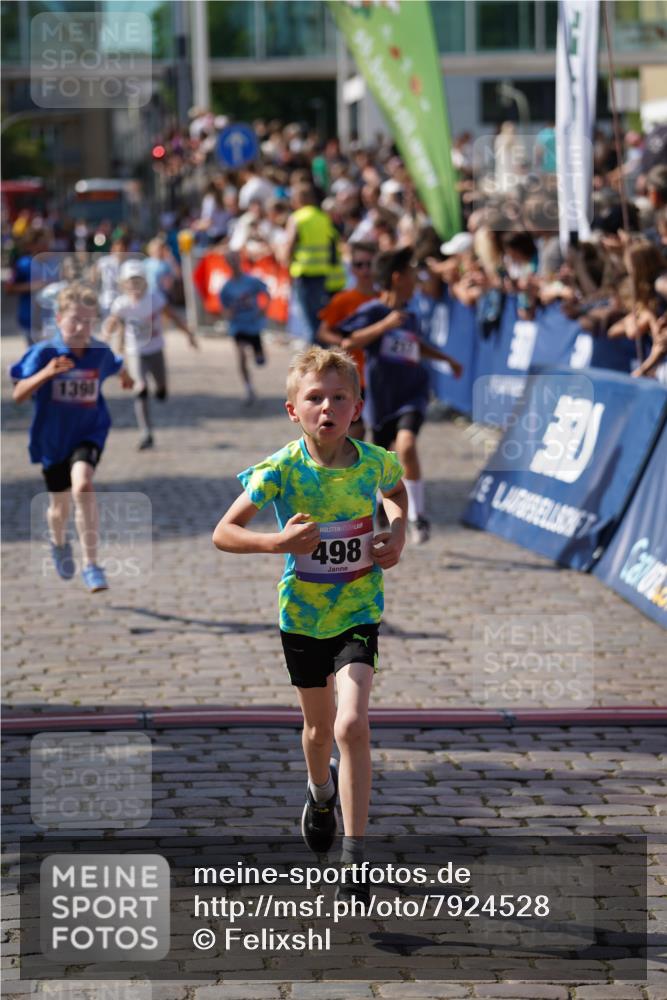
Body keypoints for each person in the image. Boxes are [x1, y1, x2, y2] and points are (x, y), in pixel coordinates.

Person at [212, 346, 408, 905]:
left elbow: (396, 495)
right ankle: (320, 793)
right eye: (314, 398)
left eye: (339, 398)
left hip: (358, 610)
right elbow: (224, 531)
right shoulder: (281, 469)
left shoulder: (375, 461)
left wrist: (396, 534)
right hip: (301, 615)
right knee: (319, 731)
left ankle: (355, 858)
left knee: (352, 725)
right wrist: (277, 542)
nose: (327, 408)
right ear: (292, 410)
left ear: (357, 406)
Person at [9, 283, 133, 592]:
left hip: (89, 433)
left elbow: (116, 364)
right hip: (52, 441)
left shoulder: (98, 352)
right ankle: (59, 541)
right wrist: (46, 374)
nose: (82, 328)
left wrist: (127, 375)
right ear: (59, 317)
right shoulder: (45, 353)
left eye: (89, 321)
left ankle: (92, 565)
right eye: (75, 319)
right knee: (58, 508)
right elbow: (19, 395)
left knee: (83, 485)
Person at [338, 247, 463, 544]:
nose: (416, 282)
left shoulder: (410, 314)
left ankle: (418, 517)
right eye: (411, 276)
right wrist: (383, 326)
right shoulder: (373, 311)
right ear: (397, 278)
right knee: (385, 461)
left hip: (413, 392)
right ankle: (383, 505)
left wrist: (446, 359)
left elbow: (414, 345)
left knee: (406, 446)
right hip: (382, 399)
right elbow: (348, 340)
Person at [103, 260, 197, 450]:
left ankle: (161, 389)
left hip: (155, 349)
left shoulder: (155, 299)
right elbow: (111, 324)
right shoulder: (121, 304)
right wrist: (105, 337)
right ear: (124, 284)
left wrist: (188, 334)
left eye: (138, 281)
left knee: (160, 386)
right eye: (131, 281)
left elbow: (173, 316)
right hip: (135, 351)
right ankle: (146, 432)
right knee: (141, 387)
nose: (135, 285)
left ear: (145, 282)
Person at [317, 241, 377, 439]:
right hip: (354, 376)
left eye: (370, 264)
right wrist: (342, 344)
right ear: (352, 269)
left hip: (380, 378)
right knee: (355, 435)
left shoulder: (385, 298)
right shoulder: (344, 299)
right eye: (360, 265)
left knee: (382, 442)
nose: (365, 270)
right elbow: (323, 331)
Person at [285, 184, 345, 344]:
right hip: (322, 273)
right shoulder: (323, 217)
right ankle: (322, 355)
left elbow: (289, 245)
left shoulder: (297, 218)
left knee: (309, 321)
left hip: (304, 272)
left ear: (299, 199)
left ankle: (316, 361)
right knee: (318, 317)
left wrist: (286, 265)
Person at [219, 250, 269, 406]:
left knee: (260, 360)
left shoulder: (251, 281)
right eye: (230, 261)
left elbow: (266, 293)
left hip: (253, 324)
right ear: (227, 264)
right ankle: (249, 389)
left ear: (239, 261)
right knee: (241, 356)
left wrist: (264, 309)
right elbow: (223, 309)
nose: (233, 264)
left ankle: (259, 352)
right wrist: (229, 313)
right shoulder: (226, 287)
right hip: (238, 325)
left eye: (235, 260)